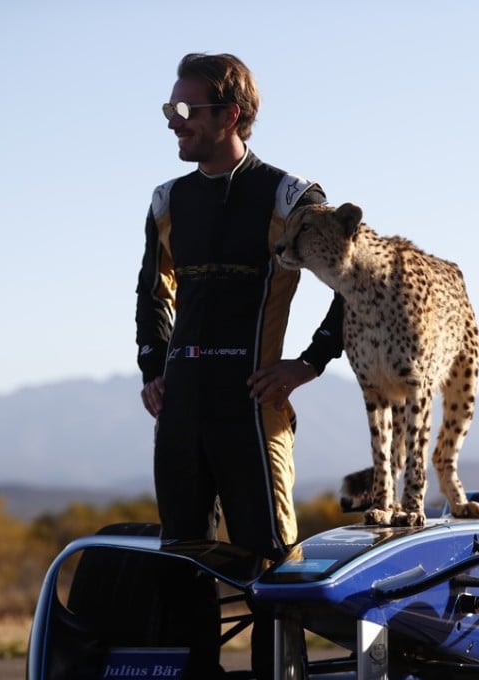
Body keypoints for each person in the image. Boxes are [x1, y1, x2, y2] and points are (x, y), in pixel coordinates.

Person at [134, 52, 343, 678]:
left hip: (254, 408)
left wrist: (308, 363)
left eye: (185, 108)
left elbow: (354, 281)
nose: (173, 121)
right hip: (181, 410)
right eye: (169, 108)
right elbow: (153, 292)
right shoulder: (168, 200)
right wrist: (153, 368)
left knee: (272, 571)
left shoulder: (289, 196)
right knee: (181, 567)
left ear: (230, 114)